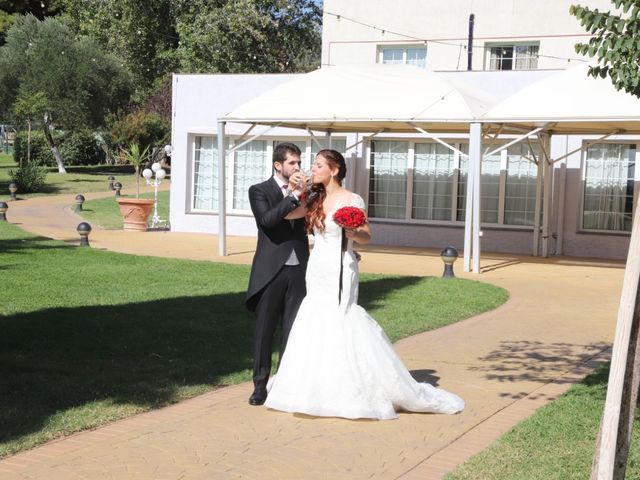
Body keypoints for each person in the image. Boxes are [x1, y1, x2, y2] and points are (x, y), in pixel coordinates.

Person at [264, 149, 464, 420]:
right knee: (316, 317)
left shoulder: (352, 199)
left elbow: (367, 236)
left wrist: (353, 231)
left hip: (341, 267)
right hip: (318, 267)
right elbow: (287, 216)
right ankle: (313, 386)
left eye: (319, 165)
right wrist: (298, 190)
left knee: (342, 317)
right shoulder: (314, 198)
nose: (313, 168)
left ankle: (350, 387)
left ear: (334, 170)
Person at [245, 142, 310, 406]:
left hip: (300, 268)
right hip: (271, 269)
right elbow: (268, 221)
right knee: (264, 330)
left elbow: (318, 218)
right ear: (278, 165)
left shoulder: (308, 192)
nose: (297, 167)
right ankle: (260, 385)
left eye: (299, 162)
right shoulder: (259, 190)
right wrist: (293, 196)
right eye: (292, 163)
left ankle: (285, 382)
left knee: (293, 329)